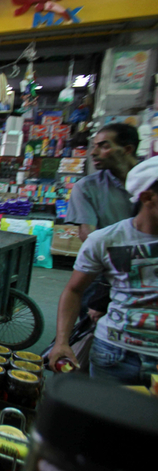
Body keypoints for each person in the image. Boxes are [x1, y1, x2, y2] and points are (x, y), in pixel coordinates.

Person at [49, 157, 158, 386]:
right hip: (114, 354)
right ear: (147, 198)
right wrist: (62, 342)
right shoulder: (105, 239)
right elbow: (74, 290)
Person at [65, 123, 139, 242]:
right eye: (94, 146)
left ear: (127, 149)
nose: (93, 152)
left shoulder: (152, 181)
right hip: (110, 252)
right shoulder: (87, 187)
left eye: (104, 146)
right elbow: (89, 236)